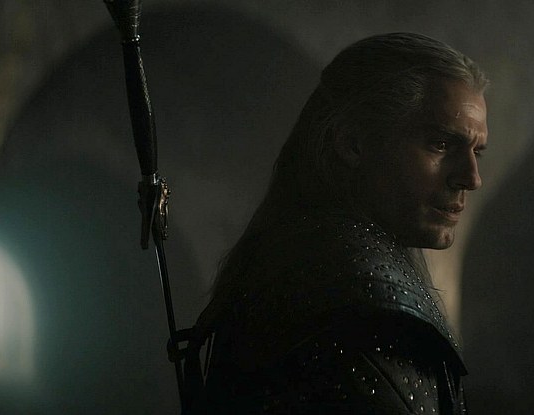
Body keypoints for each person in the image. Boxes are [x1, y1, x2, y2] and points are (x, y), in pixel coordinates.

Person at [188, 32, 489, 414]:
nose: (471, 178)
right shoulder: (356, 299)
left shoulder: (303, 259)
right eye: (441, 144)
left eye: (477, 152)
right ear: (353, 143)